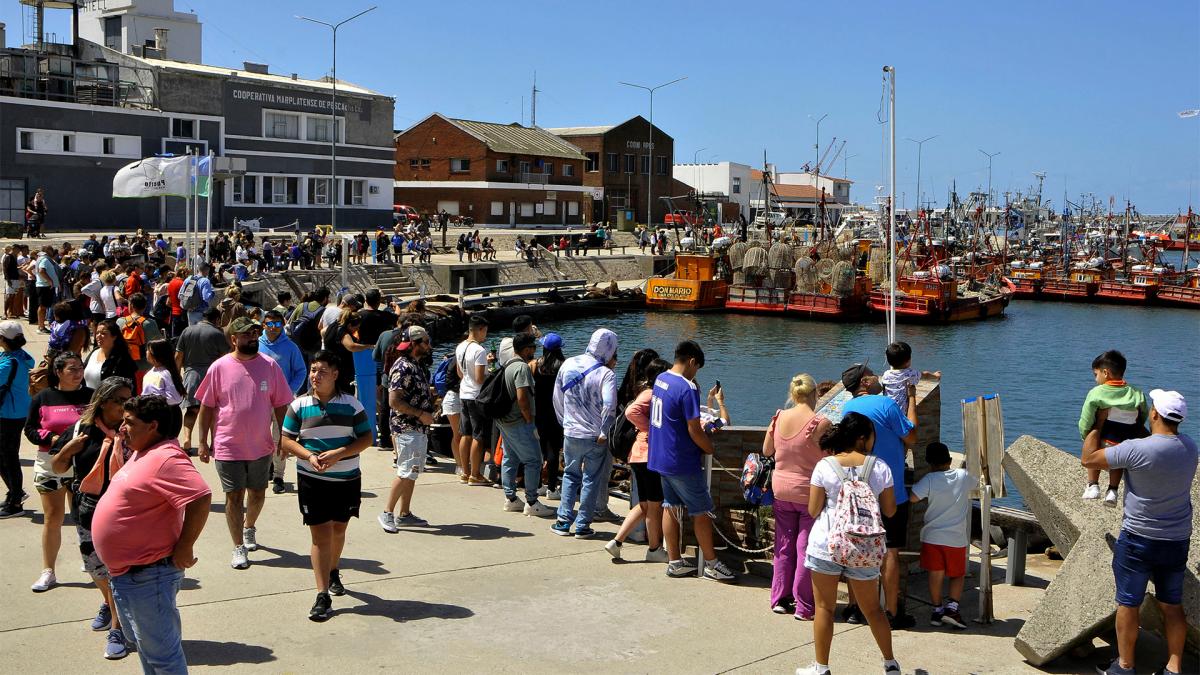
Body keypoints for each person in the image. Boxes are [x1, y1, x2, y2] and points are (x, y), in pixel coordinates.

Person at [92, 394, 210, 675]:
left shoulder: (166, 457)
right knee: (147, 648)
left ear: (152, 426)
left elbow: (200, 497)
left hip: (148, 574)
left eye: (130, 422)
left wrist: (185, 546)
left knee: (163, 657)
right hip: (129, 574)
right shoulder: (143, 451)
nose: (123, 428)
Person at [1084, 389, 1196, 675]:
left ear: (1154, 414)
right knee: (1171, 605)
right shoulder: (1190, 448)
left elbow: (1090, 459)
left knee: (1128, 603)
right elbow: (1158, 442)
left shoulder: (1136, 449)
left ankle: (1125, 666)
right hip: (1176, 539)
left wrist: (1098, 423)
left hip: (1138, 537)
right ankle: (1174, 667)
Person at [798, 412, 900, 675]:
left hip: (826, 544)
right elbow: (890, 511)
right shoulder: (879, 467)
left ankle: (822, 668)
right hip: (864, 546)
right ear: (863, 438)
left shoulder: (825, 466)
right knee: (873, 610)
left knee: (824, 607)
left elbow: (812, 510)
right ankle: (890, 663)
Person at [280, 351, 372, 622]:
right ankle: (322, 595)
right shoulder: (299, 405)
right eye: (313, 370)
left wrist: (339, 453)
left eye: (321, 371)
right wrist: (308, 456)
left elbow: (366, 438)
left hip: (346, 479)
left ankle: (333, 570)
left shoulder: (352, 405)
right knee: (320, 535)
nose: (315, 376)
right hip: (312, 479)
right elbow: (286, 441)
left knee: (339, 528)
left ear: (335, 374)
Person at [196, 316, 292, 570]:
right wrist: (203, 442)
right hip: (227, 445)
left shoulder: (270, 366)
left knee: (258, 494)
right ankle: (238, 546)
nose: (252, 337)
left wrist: (285, 437)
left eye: (254, 333)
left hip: (260, 446)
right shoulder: (219, 367)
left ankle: (249, 527)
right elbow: (206, 407)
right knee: (234, 497)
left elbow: (281, 405)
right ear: (233, 338)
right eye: (246, 334)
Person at [49, 377, 135, 659]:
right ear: (104, 400)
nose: (125, 406)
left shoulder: (135, 429)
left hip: (125, 511)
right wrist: (67, 450)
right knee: (96, 568)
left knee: (119, 572)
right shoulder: (81, 429)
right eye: (119, 400)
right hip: (89, 509)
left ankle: (118, 628)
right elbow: (58, 467)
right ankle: (109, 603)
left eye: (128, 399)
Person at [647, 340, 736, 581]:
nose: (696, 373)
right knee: (702, 511)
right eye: (697, 368)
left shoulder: (661, 379)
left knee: (670, 506)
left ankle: (674, 560)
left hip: (659, 456)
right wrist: (708, 447)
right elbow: (694, 429)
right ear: (692, 361)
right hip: (681, 460)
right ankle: (711, 563)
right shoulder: (687, 388)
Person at [839, 362, 918, 628]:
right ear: (864, 382)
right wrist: (912, 398)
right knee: (891, 551)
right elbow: (912, 437)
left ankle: (853, 607)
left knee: (857, 546)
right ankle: (892, 612)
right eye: (871, 374)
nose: (875, 376)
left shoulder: (846, 409)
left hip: (858, 490)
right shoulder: (886, 405)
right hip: (890, 489)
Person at [763, 373, 831, 619]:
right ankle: (804, 606)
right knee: (806, 547)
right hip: (808, 494)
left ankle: (779, 598)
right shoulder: (821, 422)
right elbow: (829, 459)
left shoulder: (779, 416)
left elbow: (767, 450)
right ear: (815, 394)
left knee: (783, 545)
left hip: (781, 489)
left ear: (793, 395)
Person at [25, 350, 92, 591]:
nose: (78, 373)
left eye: (80, 368)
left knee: (84, 517)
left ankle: (89, 558)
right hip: (49, 464)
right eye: (71, 369)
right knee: (53, 519)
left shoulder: (91, 397)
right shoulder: (43, 397)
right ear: (58, 372)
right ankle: (48, 571)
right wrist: (53, 439)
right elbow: (30, 430)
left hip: (83, 465)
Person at [550, 328, 619, 539]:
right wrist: (604, 431)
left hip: (572, 432)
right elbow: (609, 405)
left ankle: (563, 521)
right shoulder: (606, 374)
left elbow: (557, 398)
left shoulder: (569, 363)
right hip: (595, 435)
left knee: (570, 475)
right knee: (591, 479)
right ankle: (582, 525)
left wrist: (565, 423)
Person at [605, 357, 671, 561]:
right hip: (647, 456)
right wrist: (650, 428)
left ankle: (616, 541)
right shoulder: (652, 394)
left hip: (637, 455)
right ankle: (654, 549)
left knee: (643, 505)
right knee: (654, 505)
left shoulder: (645, 391)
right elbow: (631, 411)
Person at [379, 326, 438, 532]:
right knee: (405, 471)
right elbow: (394, 401)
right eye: (425, 342)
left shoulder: (417, 365)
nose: (429, 346)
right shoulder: (403, 366)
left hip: (417, 429)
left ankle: (404, 514)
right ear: (414, 344)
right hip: (407, 428)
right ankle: (387, 512)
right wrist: (421, 414)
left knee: (412, 471)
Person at [495, 333, 557, 517]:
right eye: (533, 347)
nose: (534, 351)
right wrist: (529, 418)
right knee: (533, 460)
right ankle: (531, 501)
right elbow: (522, 397)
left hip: (505, 421)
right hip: (519, 421)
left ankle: (511, 498)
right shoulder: (522, 368)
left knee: (510, 458)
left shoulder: (508, 365)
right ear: (526, 349)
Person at [1078, 350, 1148, 506]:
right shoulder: (1136, 393)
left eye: (1096, 375)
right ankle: (1112, 491)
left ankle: (1093, 485)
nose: (1096, 379)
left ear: (1105, 372)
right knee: (1118, 462)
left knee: (1093, 446)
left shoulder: (1096, 393)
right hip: (1126, 440)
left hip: (1104, 438)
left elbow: (1086, 418)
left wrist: (1085, 434)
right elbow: (1143, 414)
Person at [260, 309, 307, 493]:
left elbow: (301, 371)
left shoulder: (291, 347)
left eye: (277, 325)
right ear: (264, 325)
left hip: (282, 402)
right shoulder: (256, 345)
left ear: (282, 325)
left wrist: (289, 391)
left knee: (280, 438)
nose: (273, 328)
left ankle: (279, 475)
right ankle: (266, 468)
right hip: (260, 402)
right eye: (269, 324)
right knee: (262, 438)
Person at [175, 306, 229, 453]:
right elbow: (225, 358)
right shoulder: (217, 334)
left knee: (191, 410)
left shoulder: (187, 331)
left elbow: (178, 356)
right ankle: (212, 443)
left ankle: (187, 439)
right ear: (217, 319)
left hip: (191, 375)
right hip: (211, 376)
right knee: (211, 411)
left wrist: (177, 375)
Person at [0, 321, 34, 518]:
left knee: (8, 456)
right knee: (6, 455)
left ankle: (16, 502)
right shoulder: (20, 356)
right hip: (17, 411)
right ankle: (14, 492)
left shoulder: (9, 362)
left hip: (9, 414)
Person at [455, 314, 491, 485]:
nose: (486, 335)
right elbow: (479, 378)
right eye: (485, 332)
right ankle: (475, 474)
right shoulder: (480, 351)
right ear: (480, 330)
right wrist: (489, 375)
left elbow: (459, 373)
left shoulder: (460, 346)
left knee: (465, 433)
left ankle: (465, 471)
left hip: (464, 393)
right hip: (477, 396)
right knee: (478, 435)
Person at [531, 333, 565, 499]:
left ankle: (538, 485)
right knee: (553, 450)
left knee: (538, 450)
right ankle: (552, 487)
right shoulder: (563, 367)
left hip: (538, 412)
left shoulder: (535, 365)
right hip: (557, 412)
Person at [879, 341, 940, 411]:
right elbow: (925, 375)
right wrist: (936, 376)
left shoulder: (886, 374)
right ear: (908, 360)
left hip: (887, 409)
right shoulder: (910, 374)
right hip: (901, 411)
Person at [83, 319, 137, 391]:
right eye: (97, 333)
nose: (98, 336)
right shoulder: (94, 352)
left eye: (103, 333)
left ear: (114, 336)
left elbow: (129, 387)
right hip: (88, 401)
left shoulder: (122, 359)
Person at [140, 339, 184, 407]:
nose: (146, 352)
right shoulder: (149, 373)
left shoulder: (166, 374)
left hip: (166, 412)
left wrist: (154, 402)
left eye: (148, 350)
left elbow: (175, 398)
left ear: (157, 354)